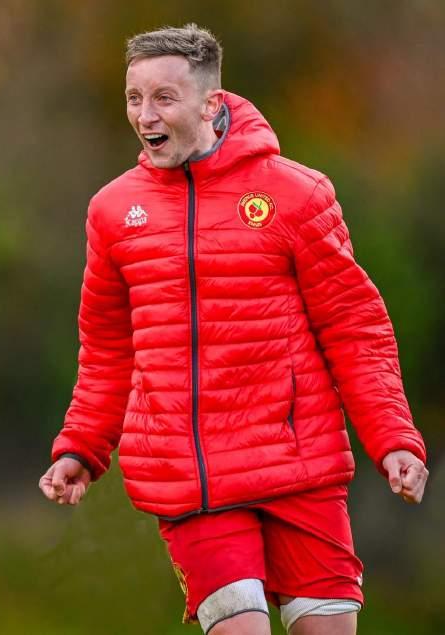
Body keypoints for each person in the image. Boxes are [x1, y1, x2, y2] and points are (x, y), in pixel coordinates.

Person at [39, 23, 429, 635]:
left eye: (164, 97)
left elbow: (355, 328)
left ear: (211, 103)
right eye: (134, 97)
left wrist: (394, 439)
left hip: (299, 465)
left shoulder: (296, 194)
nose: (145, 115)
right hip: (189, 478)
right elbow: (108, 348)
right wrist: (81, 447)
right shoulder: (112, 211)